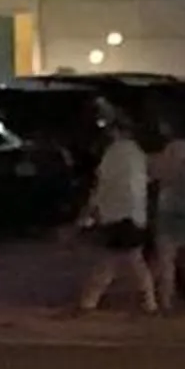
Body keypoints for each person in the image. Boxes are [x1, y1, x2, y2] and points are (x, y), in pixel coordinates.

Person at [74, 119, 158, 314]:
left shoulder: (114, 153)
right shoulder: (137, 153)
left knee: (112, 260)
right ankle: (149, 302)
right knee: (131, 260)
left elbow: (104, 184)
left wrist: (91, 211)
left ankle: (89, 302)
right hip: (135, 214)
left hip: (116, 213)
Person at [145, 112, 185, 312]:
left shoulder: (172, 149)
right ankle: (151, 294)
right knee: (170, 256)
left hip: (170, 207)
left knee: (165, 257)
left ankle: (164, 300)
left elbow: (158, 173)